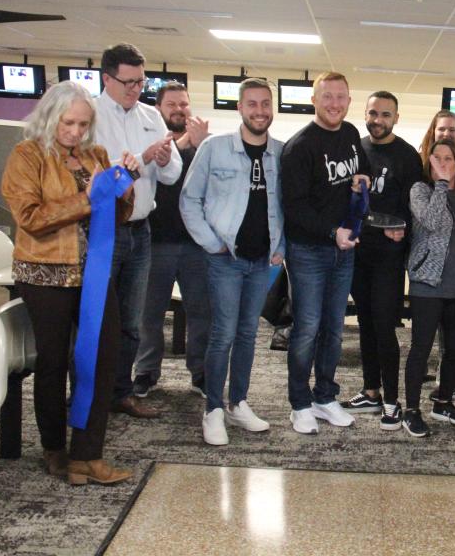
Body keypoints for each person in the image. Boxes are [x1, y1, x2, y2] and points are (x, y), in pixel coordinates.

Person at [1, 81, 136, 485]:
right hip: (44, 274)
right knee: (54, 362)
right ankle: (54, 450)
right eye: (68, 123)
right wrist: (87, 198)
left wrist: (124, 186)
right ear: (49, 117)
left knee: (101, 359)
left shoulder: (95, 155)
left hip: (92, 276)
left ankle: (87, 454)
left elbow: (116, 216)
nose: (76, 131)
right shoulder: (26, 156)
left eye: (83, 124)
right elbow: (30, 216)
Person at [180, 78, 284, 445]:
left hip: (261, 263)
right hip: (225, 259)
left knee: (247, 334)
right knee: (222, 334)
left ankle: (238, 402)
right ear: (240, 108)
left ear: (273, 108)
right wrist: (211, 243)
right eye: (252, 104)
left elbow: (285, 207)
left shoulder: (280, 153)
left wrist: (280, 247)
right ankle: (213, 409)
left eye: (265, 104)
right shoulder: (215, 148)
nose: (260, 111)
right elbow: (189, 200)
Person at [94, 43, 182, 419]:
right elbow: (96, 178)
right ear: (107, 78)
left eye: (140, 82)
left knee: (132, 322)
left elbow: (173, 172)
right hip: (102, 230)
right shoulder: (90, 116)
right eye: (128, 82)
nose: (135, 90)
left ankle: (120, 392)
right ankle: (89, 395)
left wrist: (162, 160)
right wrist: (143, 159)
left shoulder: (150, 115)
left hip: (140, 231)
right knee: (96, 319)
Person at [280, 72, 370, 434]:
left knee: (334, 329)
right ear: (314, 100)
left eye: (341, 97)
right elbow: (295, 206)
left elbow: (359, 170)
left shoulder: (349, 134)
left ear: (349, 102)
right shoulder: (299, 146)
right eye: (327, 97)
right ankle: (299, 403)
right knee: (306, 329)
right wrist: (333, 232)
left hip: (343, 251)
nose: (334, 104)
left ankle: (325, 396)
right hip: (309, 251)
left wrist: (361, 181)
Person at [343, 91, 422, 431]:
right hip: (359, 252)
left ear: (396, 118)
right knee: (364, 323)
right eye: (373, 113)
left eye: (385, 114)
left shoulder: (407, 156)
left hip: (389, 258)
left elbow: (414, 207)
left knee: (384, 326)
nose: (378, 120)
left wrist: (400, 226)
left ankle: (392, 399)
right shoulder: (355, 149)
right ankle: (371, 391)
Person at [403, 139, 455, 437]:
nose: (442, 164)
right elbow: (432, 222)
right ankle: (411, 410)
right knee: (421, 349)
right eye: (436, 158)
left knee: (454, 350)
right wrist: (440, 184)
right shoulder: (421, 190)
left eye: (448, 159)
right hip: (428, 282)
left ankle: (444, 401)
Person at [135, 82, 211, 399]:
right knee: (149, 314)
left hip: (195, 245)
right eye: (172, 105)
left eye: (184, 105)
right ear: (158, 109)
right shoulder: (149, 140)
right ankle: (146, 372)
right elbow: (159, 169)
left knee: (202, 313)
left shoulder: (202, 145)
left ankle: (201, 373)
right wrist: (183, 142)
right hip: (156, 242)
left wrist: (202, 145)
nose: (180, 110)